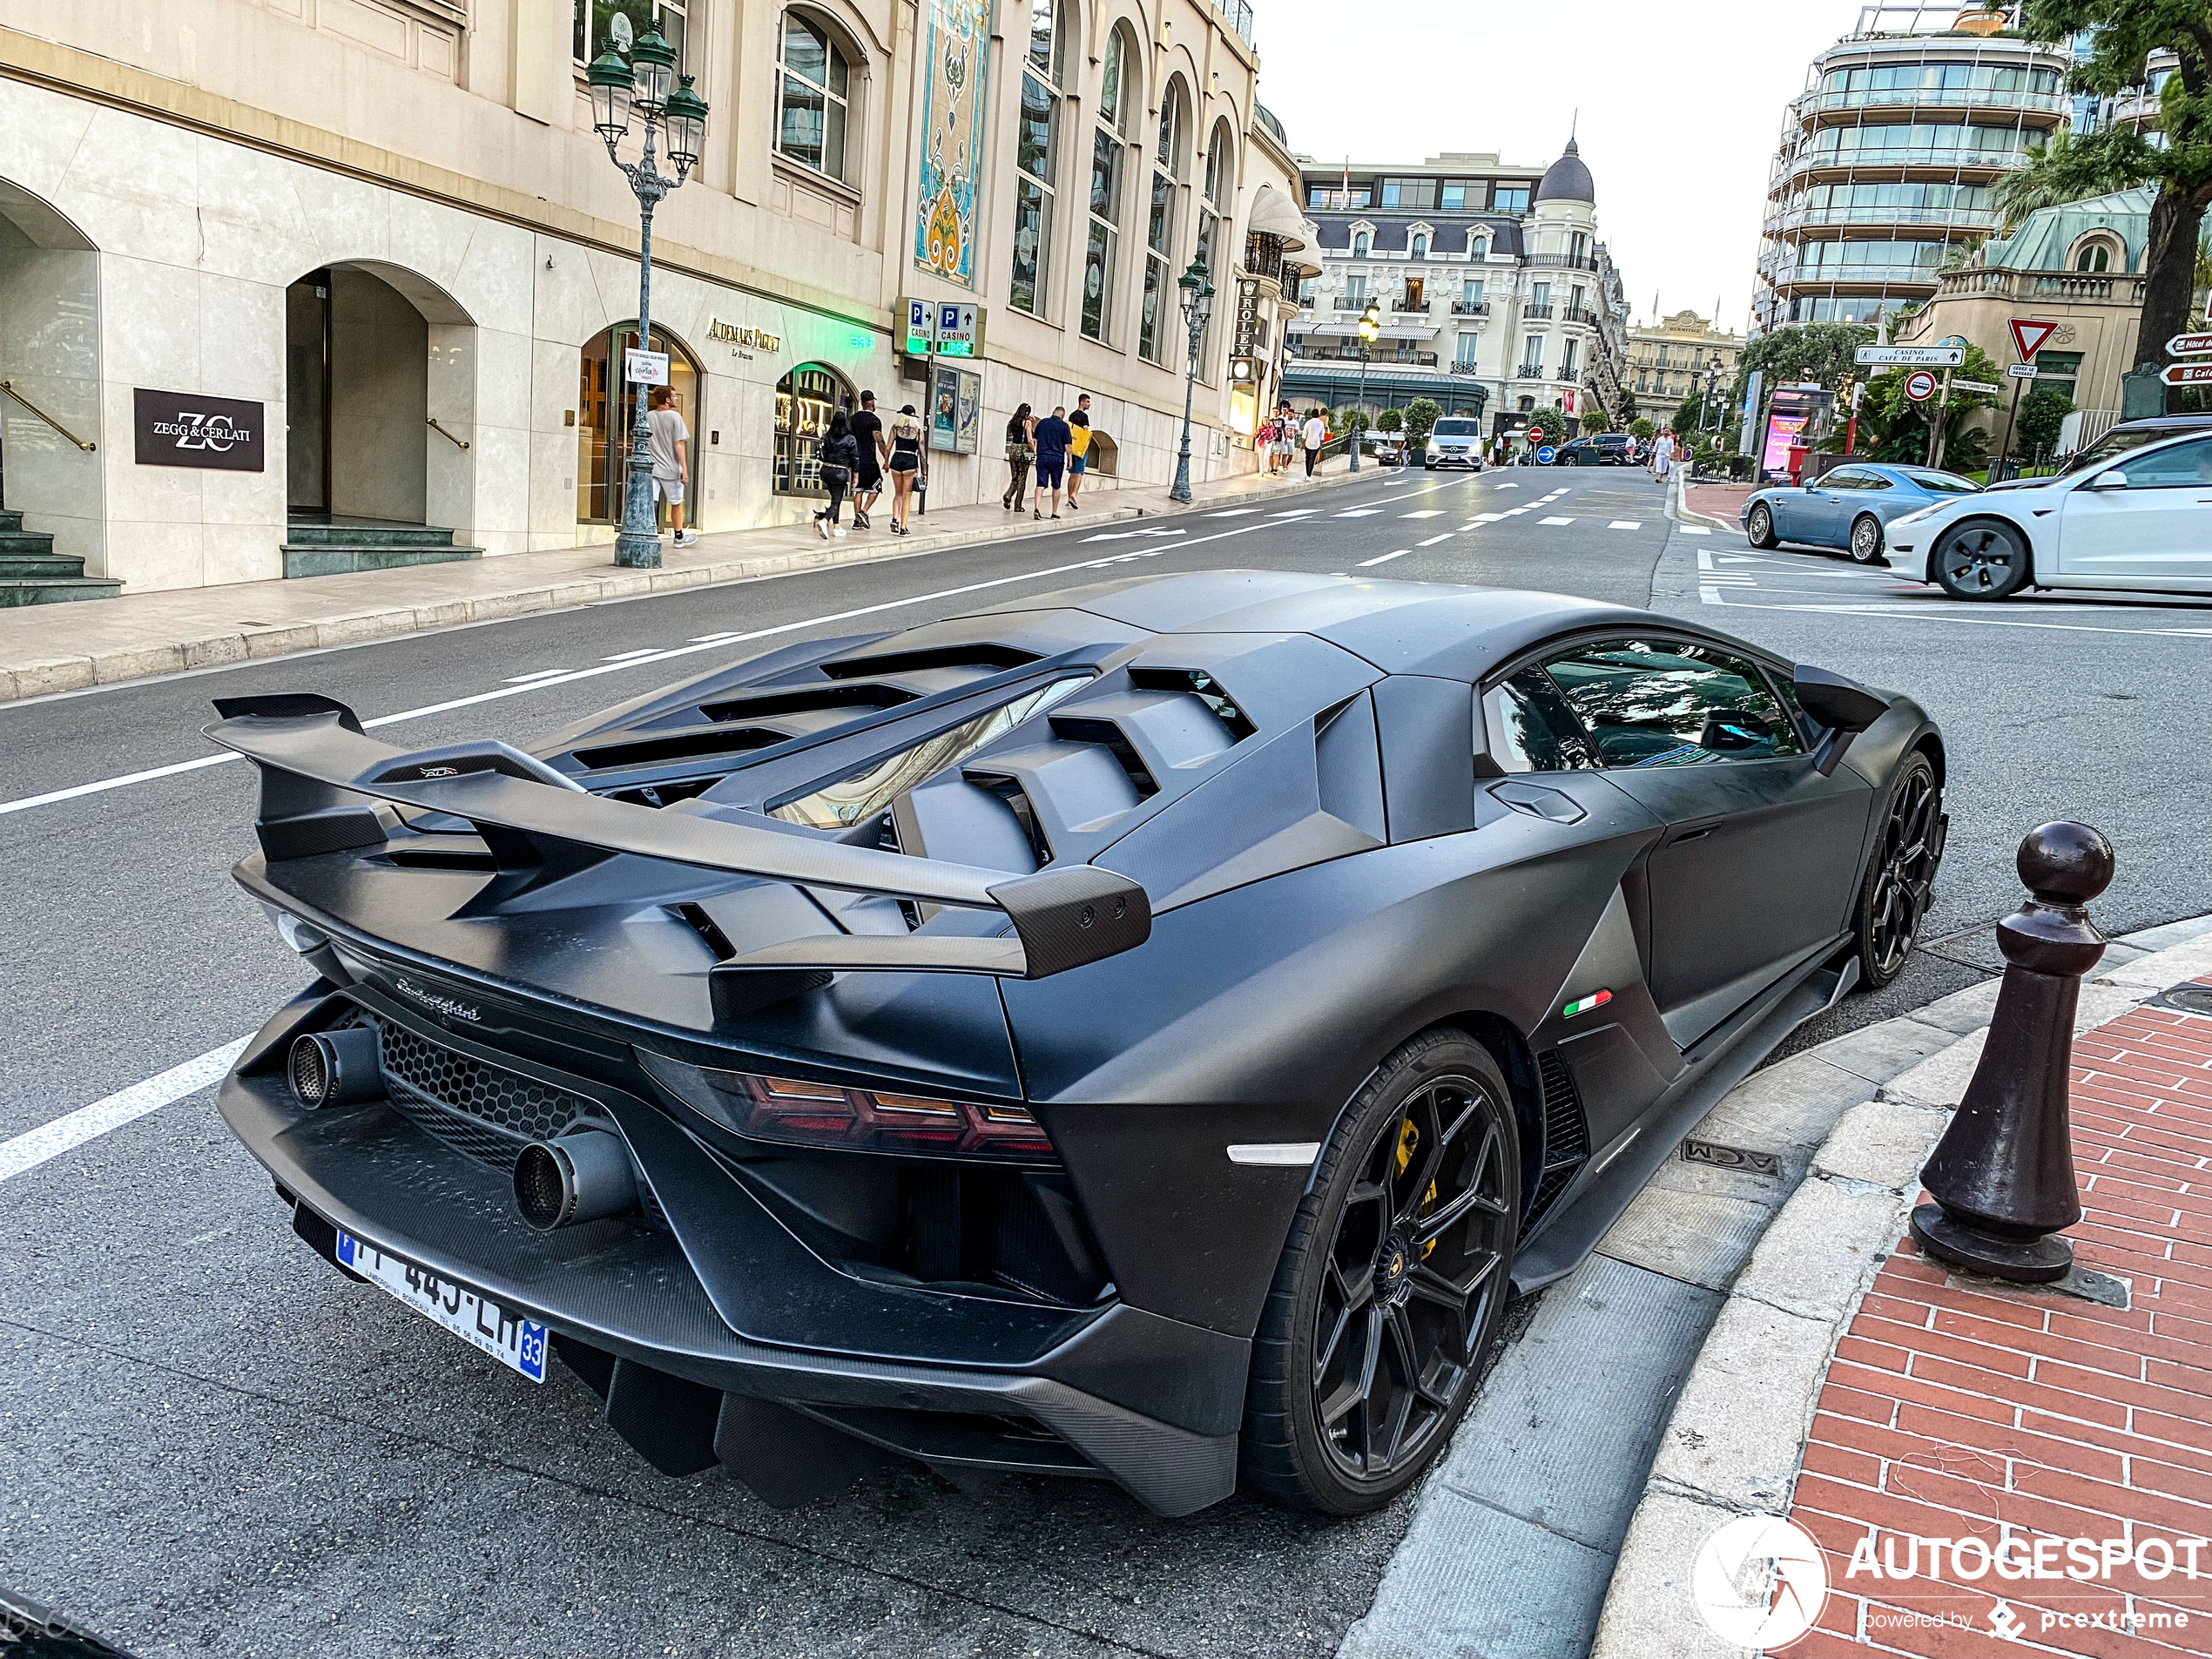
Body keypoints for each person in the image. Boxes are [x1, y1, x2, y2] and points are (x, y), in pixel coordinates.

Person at [645, 386, 697, 547]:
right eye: (674, 396)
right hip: (671, 469)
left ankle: (649, 533)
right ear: (667, 400)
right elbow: (679, 444)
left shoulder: (649, 416)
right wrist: (684, 469)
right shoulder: (675, 417)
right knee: (676, 502)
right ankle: (679, 537)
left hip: (653, 467)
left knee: (650, 502)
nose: (676, 399)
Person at [813, 408, 858, 539]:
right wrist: (856, 476)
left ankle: (836, 526)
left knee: (835, 500)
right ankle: (824, 520)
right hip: (840, 471)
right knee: (836, 501)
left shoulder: (828, 436)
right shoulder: (850, 439)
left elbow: (824, 454)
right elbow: (855, 458)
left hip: (826, 470)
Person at [848, 391, 887, 530]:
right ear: (871, 402)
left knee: (858, 490)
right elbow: (879, 440)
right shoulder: (874, 420)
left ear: (862, 402)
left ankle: (857, 521)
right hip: (869, 459)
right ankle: (863, 512)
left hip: (855, 459)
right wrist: (886, 458)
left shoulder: (852, 419)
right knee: (876, 486)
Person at [886, 403, 924, 536]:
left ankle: (895, 518)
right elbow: (922, 453)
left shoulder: (895, 428)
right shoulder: (918, 431)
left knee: (898, 494)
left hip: (896, 460)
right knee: (907, 496)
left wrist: (886, 462)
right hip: (910, 461)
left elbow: (888, 447)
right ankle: (903, 528)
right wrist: (924, 471)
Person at [1032, 404, 1073, 519]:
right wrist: (1070, 461)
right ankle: (1054, 512)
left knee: (1040, 484)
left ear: (1053, 412)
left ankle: (1037, 508)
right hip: (1057, 458)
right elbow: (1068, 445)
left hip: (1042, 456)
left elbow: (1034, 440)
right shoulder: (1064, 426)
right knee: (1056, 486)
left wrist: (1034, 454)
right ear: (1062, 416)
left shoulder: (1042, 423)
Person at [1002, 402, 1035, 510]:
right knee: (1022, 479)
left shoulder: (1012, 422)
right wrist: (1034, 452)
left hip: (1013, 450)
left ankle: (1008, 494)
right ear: (1026, 413)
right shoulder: (1027, 423)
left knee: (1015, 477)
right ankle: (1018, 505)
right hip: (1024, 451)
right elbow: (1030, 440)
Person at [1065, 394, 1093, 509]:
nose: (1089, 404)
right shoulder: (1084, 417)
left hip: (1072, 446)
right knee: (1079, 472)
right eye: (1087, 402)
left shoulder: (1072, 415)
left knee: (1072, 473)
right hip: (1081, 447)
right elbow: (1085, 431)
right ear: (1081, 402)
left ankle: (1068, 498)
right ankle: (1074, 495)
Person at [1301, 408, 1327, 476]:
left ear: (1311, 415)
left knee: (1307, 458)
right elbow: (1322, 436)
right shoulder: (1321, 423)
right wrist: (1321, 445)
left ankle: (1307, 472)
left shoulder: (1308, 422)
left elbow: (1304, 434)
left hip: (1308, 443)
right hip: (1316, 444)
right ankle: (1309, 474)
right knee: (1312, 459)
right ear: (1318, 415)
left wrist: (1302, 444)